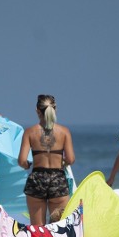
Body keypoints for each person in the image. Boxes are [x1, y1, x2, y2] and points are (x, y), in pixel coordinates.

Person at [17, 94, 76, 224]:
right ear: (55, 109)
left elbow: (21, 161)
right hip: (58, 179)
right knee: (59, 227)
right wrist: (63, 162)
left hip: (37, 179)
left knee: (38, 229)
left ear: (37, 110)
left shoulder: (30, 132)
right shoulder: (64, 131)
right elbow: (71, 159)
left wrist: (27, 165)